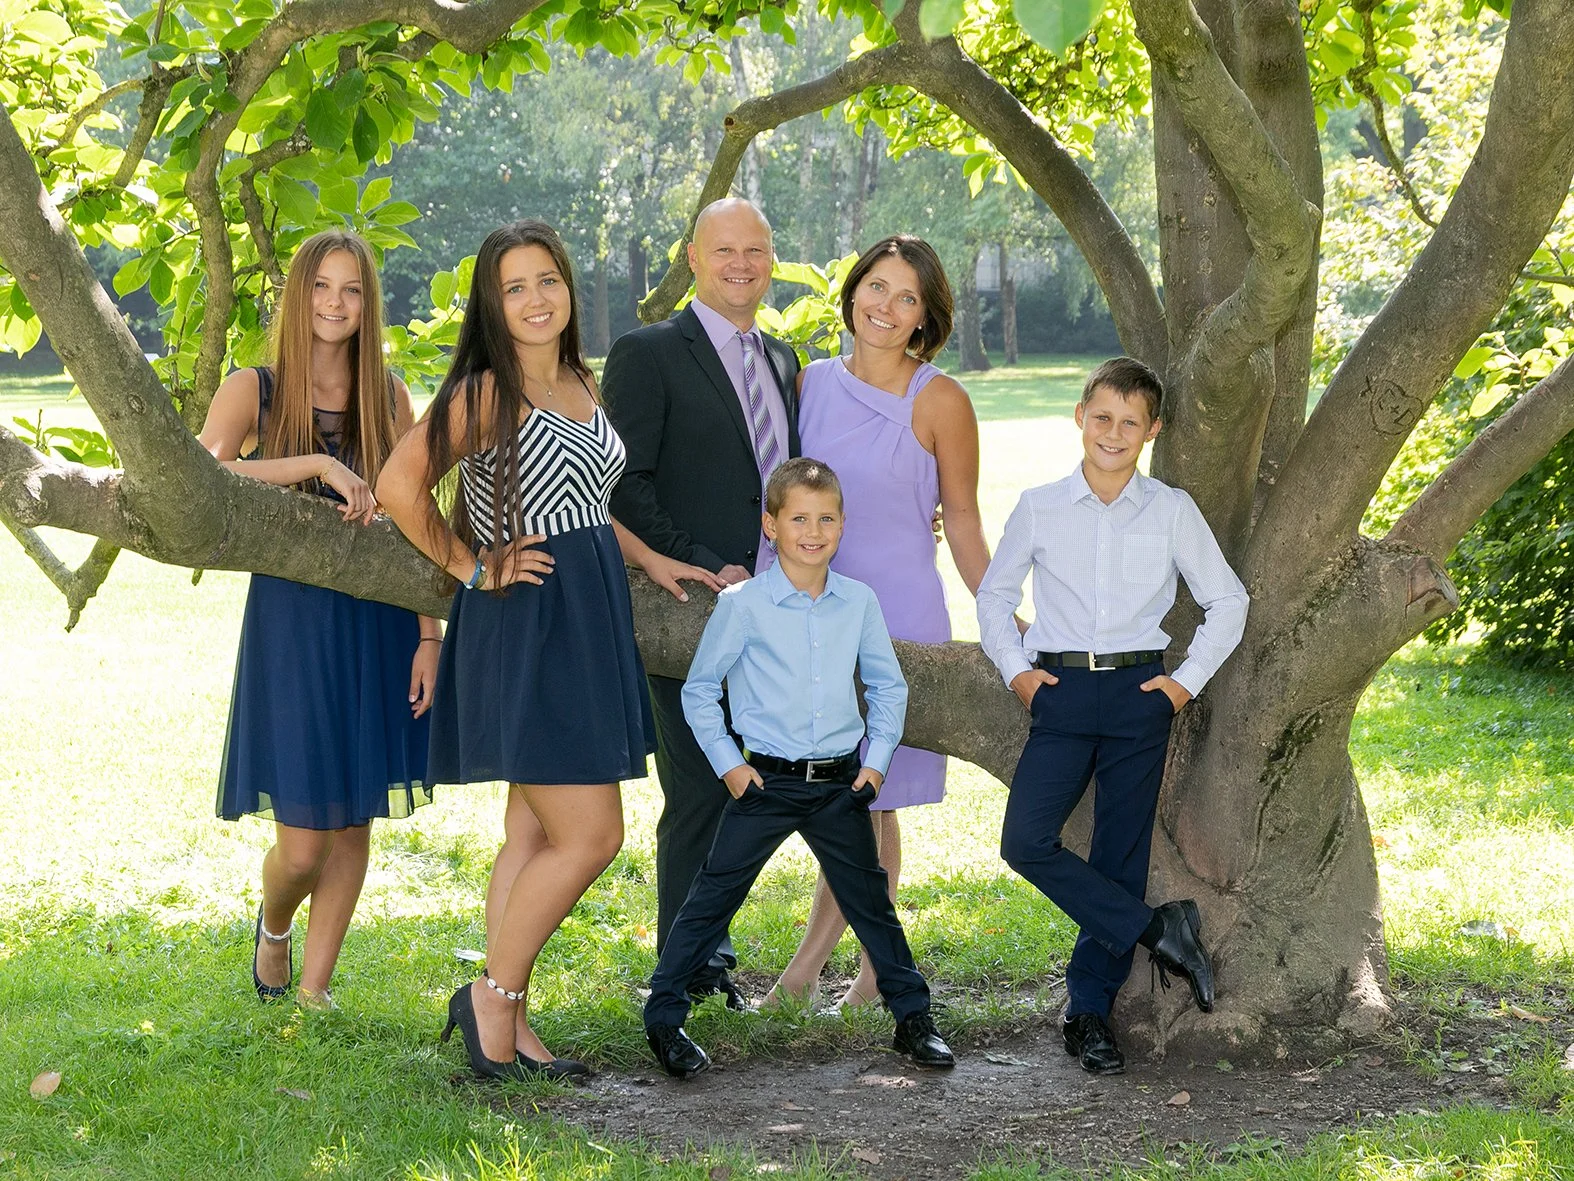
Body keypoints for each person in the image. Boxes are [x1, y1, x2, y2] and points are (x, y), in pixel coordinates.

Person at [376, 220, 718, 1082]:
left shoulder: (578, 378)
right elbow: (397, 485)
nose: (536, 299)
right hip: (528, 620)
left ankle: (512, 1023)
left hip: (588, 614)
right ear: (492, 304)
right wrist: (471, 566)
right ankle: (490, 996)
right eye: (515, 286)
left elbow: (586, 500)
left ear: (568, 286)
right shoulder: (486, 392)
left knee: (531, 831)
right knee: (592, 834)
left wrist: (647, 556)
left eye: (548, 280)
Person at [975, 356, 1250, 1075]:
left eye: (1131, 422)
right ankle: (1161, 930)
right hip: (1059, 691)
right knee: (1025, 840)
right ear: (1080, 416)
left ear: (1152, 430)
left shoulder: (1172, 510)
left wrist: (1182, 685)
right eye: (1103, 417)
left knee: (1119, 857)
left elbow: (1229, 600)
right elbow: (994, 597)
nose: (1114, 432)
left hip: (1139, 694)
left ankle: (1089, 1013)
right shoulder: (1040, 506)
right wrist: (1018, 672)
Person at [643, 458, 956, 1078]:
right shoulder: (743, 606)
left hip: (838, 785)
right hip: (763, 783)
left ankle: (913, 1020)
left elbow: (888, 687)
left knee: (872, 905)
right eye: (799, 519)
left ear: (842, 524)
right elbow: (699, 691)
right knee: (711, 898)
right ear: (771, 525)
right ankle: (664, 1019)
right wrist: (731, 767)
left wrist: (875, 764)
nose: (813, 532)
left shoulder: (857, 603)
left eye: (826, 519)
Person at [202, 229, 436, 1012]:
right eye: (322, 286)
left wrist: (430, 635)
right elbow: (204, 474)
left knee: (354, 813)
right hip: (292, 629)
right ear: (298, 295)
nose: (336, 303)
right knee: (303, 843)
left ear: (369, 303)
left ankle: (315, 987)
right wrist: (317, 463)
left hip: (378, 624)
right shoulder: (255, 388)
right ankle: (274, 926)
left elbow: (415, 521)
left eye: (352, 289)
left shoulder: (388, 396)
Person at [769, 234, 992, 1011]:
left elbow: (962, 522)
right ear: (853, 290)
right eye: (876, 287)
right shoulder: (808, 384)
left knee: (865, 799)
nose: (886, 307)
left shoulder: (941, 400)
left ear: (926, 316)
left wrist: (1004, 614)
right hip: (813, 614)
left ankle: (811, 978)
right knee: (851, 800)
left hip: (898, 617)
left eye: (907, 298)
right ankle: (869, 972)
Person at [603, 197, 801, 1009]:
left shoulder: (784, 359)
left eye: (755, 250)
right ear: (692, 257)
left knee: (743, 784)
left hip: (776, 613)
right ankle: (680, 971)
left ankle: (708, 950)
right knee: (696, 788)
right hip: (684, 606)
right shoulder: (647, 352)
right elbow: (624, 481)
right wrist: (693, 560)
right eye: (724, 250)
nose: (741, 265)